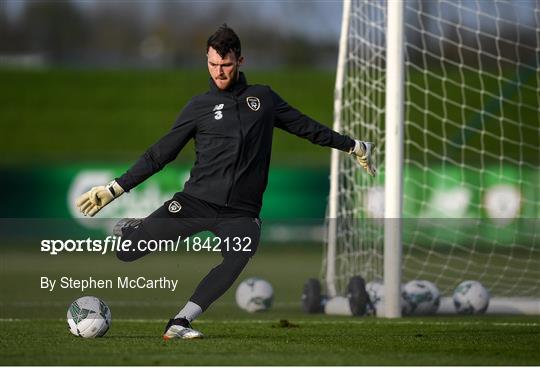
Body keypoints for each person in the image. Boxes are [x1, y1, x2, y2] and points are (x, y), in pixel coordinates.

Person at [75, 24, 376, 340]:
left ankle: (180, 322)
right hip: (196, 202)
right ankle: (132, 229)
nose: (219, 72)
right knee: (127, 252)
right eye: (213, 64)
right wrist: (115, 188)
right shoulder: (198, 107)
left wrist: (353, 145)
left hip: (241, 214)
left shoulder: (263, 99)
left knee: (237, 256)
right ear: (207, 59)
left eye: (226, 65)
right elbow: (159, 154)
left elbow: (306, 128)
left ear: (240, 61)